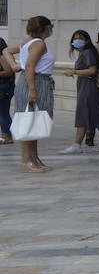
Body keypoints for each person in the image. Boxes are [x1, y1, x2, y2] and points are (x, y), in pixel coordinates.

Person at [5, 15, 56, 172]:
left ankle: (33, 157)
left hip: (34, 81)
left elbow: (6, 50)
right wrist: (32, 88)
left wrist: (14, 64)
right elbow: (29, 66)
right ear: (47, 28)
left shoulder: (28, 42)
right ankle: (26, 158)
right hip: (35, 82)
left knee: (35, 120)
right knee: (29, 119)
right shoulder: (38, 43)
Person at [59, 29, 99, 153]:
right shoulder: (86, 52)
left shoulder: (87, 53)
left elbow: (92, 70)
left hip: (88, 87)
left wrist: (74, 71)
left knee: (83, 114)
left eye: (80, 38)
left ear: (87, 40)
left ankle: (77, 144)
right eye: (75, 39)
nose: (77, 41)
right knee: (96, 113)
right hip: (88, 87)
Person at [0, 33, 14, 144]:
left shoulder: (2, 57)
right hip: (4, 87)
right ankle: (6, 134)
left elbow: (9, 72)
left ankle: (7, 135)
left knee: (3, 112)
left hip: (4, 87)